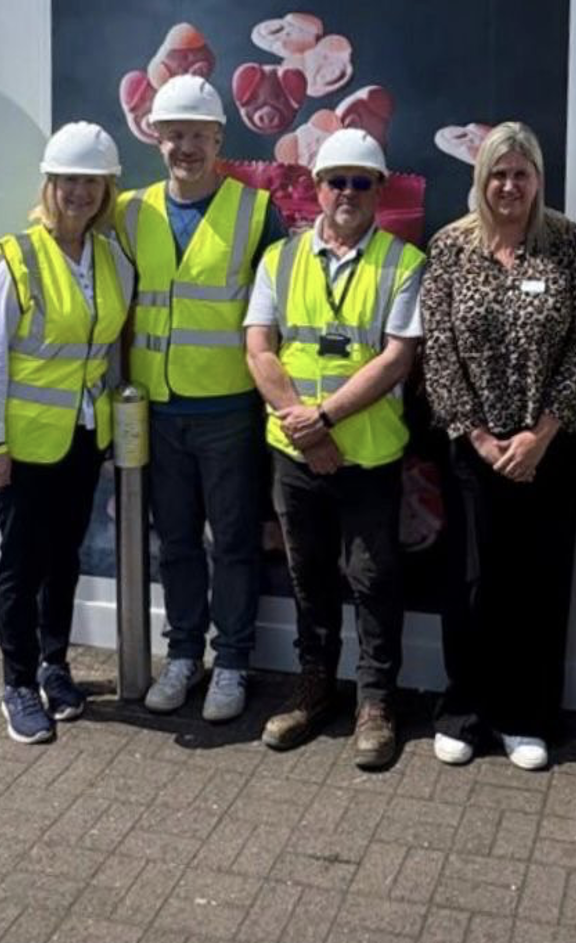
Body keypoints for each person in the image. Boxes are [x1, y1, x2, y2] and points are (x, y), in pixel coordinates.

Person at [421, 121, 576, 771]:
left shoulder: (569, 244)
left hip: (549, 449)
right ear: (481, 179)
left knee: (538, 582)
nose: (509, 185)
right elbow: (438, 348)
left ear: (537, 179)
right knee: (471, 582)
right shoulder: (450, 247)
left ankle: (527, 716)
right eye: (498, 173)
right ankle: (464, 711)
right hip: (472, 447)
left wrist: (541, 433)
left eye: (520, 173)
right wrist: (478, 434)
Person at [245, 128, 424, 770]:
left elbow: (397, 360)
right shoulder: (279, 260)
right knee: (308, 576)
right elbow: (260, 348)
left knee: (374, 581)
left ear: (379, 190)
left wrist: (320, 420)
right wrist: (304, 429)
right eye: (335, 180)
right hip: (294, 455)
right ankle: (315, 685)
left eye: (360, 182)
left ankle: (376, 702)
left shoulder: (405, 264)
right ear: (316, 188)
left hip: (367, 458)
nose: (346, 193)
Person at [115, 74, 283, 722]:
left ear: (220, 137)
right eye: (173, 133)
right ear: (156, 138)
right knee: (177, 541)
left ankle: (232, 663)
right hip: (157, 410)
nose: (185, 145)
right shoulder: (131, 211)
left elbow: (275, 318)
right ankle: (184, 655)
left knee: (235, 542)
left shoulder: (255, 210)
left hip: (230, 409)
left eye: (197, 134)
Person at [0, 123, 133, 743]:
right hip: (26, 443)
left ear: (106, 190)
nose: (80, 192)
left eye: (92, 181)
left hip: (84, 436)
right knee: (19, 566)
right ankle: (18, 682)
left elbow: (107, 349)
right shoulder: (16, 257)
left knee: (65, 557)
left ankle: (56, 665)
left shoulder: (110, 257)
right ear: (49, 185)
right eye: (69, 180)